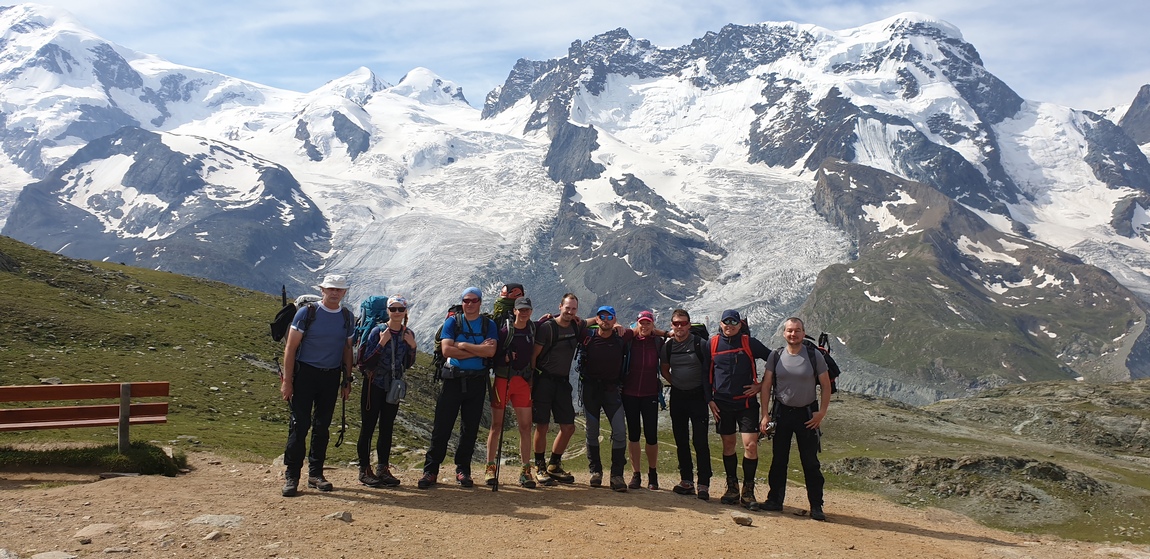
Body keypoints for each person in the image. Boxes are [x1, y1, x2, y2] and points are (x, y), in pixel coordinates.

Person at [279, 274, 355, 497]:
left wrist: (347, 379)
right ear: (322, 290)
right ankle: (292, 475)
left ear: (344, 293)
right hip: (305, 374)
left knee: (322, 427)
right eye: (331, 289)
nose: (334, 293)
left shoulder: (347, 317)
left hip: (331, 376)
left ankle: (315, 474)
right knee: (299, 425)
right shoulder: (307, 313)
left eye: (338, 289)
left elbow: (347, 349)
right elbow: (290, 348)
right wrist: (287, 381)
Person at [419, 287, 497, 489]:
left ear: (480, 302)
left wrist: (462, 346)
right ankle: (431, 470)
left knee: (469, 429)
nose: (469, 304)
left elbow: (491, 352)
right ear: (462, 302)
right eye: (466, 300)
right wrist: (478, 351)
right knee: (441, 427)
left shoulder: (489, 324)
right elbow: (446, 350)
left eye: (473, 300)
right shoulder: (453, 322)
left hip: (476, 382)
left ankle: (463, 470)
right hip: (453, 380)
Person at [760, 317, 832, 521]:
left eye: (797, 330)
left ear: (803, 333)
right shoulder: (776, 355)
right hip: (781, 413)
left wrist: (822, 412)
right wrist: (765, 415)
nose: (793, 334)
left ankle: (816, 505)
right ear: (784, 333)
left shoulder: (814, 355)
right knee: (779, 459)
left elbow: (826, 385)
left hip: (807, 414)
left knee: (810, 462)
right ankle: (775, 500)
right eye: (790, 330)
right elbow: (766, 385)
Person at [709, 309, 772, 510]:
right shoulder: (712, 344)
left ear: (739, 324)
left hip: (746, 404)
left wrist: (761, 385)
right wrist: (709, 400)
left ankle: (748, 490)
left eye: (733, 322)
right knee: (728, 446)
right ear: (720, 324)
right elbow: (705, 374)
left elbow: (773, 359)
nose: (729, 325)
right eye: (726, 322)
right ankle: (732, 487)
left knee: (750, 446)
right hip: (722, 404)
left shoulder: (749, 343)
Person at [356, 295, 416, 488]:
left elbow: (407, 363)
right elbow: (365, 362)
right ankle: (364, 469)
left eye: (400, 309)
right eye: (393, 309)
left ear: (405, 311)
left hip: (392, 386)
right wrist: (381, 344)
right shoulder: (378, 331)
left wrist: (413, 347)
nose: (397, 312)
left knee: (387, 427)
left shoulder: (408, 334)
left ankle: (382, 468)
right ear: (388, 311)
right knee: (368, 427)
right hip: (373, 384)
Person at [530, 293, 586, 486]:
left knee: (568, 427)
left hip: (562, 382)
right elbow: (534, 356)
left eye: (573, 309)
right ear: (560, 306)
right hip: (544, 380)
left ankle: (554, 465)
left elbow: (595, 321)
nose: (570, 312)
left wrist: (617, 324)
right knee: (542, 425)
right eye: (567, 308)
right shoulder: (547, 327)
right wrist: (531, 381)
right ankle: (540, 466)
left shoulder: (576, 325)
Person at [484, 296, 539, 488]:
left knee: (526, 426)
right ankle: (490, 467)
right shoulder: (505, 331)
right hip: (503, 380)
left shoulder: (532, 329)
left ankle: (525, 470)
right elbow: (493, 356)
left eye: (527, 310)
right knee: (496, 425)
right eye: (520, 310)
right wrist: (504, 358)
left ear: (531, 311)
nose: (524, 313)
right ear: (514, 311)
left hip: (521, 382)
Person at [580, 305, 635, 491]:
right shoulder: (587, 336)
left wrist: (667, 333)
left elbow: (642, 329)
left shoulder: (621, 337)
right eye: (601, 317)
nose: (605, 320)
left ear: (615, 319)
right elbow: (572, 322)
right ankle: (595, 472)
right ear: (596, 319)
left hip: (612, 390)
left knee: (619, 432)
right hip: (590, 390)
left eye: (609, 317)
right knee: (592, 432)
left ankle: (617, 475)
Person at [661, 309, 713, 500]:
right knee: (681, 439)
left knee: (700, 440)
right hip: (678, 396)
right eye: (676, 323)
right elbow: (664, 369)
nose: (680, 327)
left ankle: (704, 483)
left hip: (698, 396)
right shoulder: (668, 347)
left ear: (689, 325)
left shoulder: (700, 344)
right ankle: (687, 481)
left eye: (683, 323)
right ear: (672, 325)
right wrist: (676, 382)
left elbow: (710, 368)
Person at [622, 310, 664, 490]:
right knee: (633, 434)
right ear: (637, 324)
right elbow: (618, 331)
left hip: (650, 394)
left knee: (651, 435)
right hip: (629, 393)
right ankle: (636, 474)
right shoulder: (630, 340)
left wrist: (663, 332)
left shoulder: (658, 342)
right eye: (642, 323)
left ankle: (652, 473)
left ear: (653, 324)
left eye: (648, 323)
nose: (645, 326)